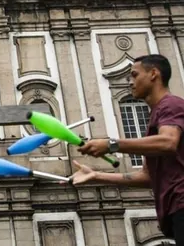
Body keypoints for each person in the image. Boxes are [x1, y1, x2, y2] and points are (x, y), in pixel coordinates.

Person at [72, 54, 184, 244]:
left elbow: (168, 142)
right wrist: (95, 175)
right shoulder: (157, 116)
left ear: (154, 74)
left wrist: (111, 145)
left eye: (134, 75)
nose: (130, 82)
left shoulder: (170, 105)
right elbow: (147, 176)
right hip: (174, 209)